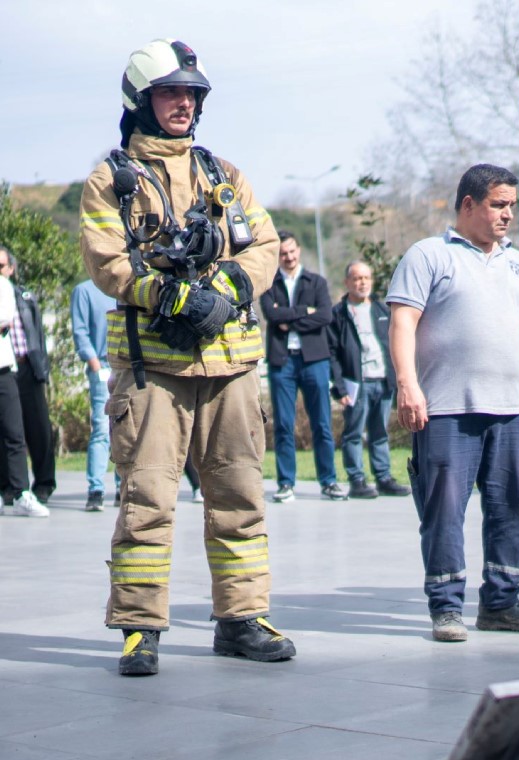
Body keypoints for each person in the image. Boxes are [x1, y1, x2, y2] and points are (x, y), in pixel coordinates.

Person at [79, 38, 295, 675]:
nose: (184, 103)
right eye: (171, 92)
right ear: (141, 100)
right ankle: (139, 629)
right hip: (153, 372)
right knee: (147, 500)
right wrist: (169, 295)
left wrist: (225, 288)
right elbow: (107, 261)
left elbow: (264, 245)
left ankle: (242, 619)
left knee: (241, 496)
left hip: (232, 368)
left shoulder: (223, 174)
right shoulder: (110, 180)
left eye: (192, 94)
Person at [388, 163, 519, 643]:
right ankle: (446, 607)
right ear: (468, 204)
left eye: (512, 205)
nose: (508, 214)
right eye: (498, 204)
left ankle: (502, 603)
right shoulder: (429, 255)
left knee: (514, 506)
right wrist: (407, 384)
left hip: (510, 411)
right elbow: (403, 322)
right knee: (444, 510)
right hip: (446, 410)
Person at [261, 231, 346, 502]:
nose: (288, 257)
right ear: (277, 255)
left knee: (322, 423)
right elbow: (271, 314)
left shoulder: (316, 282)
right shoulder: (268, 283)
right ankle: (286, 483)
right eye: (283, 253)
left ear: (298, 250)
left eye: (292, 251)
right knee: (283, 424)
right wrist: (303, 311)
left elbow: (325, 315)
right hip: (282, 362)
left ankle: (329, 481)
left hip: (314, 360)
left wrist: (288, 319)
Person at [328, 261, 410, 500]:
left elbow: (395, 341)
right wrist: (340, 387)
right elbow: (332, 354)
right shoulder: (339, 313)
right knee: (353, 433)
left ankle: (384, 478)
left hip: (383, 380)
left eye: (365, 278)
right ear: (347, 282)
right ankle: (357, 481)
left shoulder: (382, 310)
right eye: (356, 278)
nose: (361, 283)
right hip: (357, 383)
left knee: (380, 432)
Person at [0, 248, 56, 506]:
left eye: (1, 266)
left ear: (11, 268)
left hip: (26, 366)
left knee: (39, 428)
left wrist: (41, 367)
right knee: (9, 430)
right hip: (4, 369)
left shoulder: (24, 297)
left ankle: (44, 483)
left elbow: (38, 336)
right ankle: (9, 486)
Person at [71, 278, 117, 511]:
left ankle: (123, 488)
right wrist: (95, 365)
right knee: (101, 428)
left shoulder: (122, 286)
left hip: (127, 366)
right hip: (102, 366)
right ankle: (96, 490)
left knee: (126, 429)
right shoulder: (84, 291)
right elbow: (80, 331)